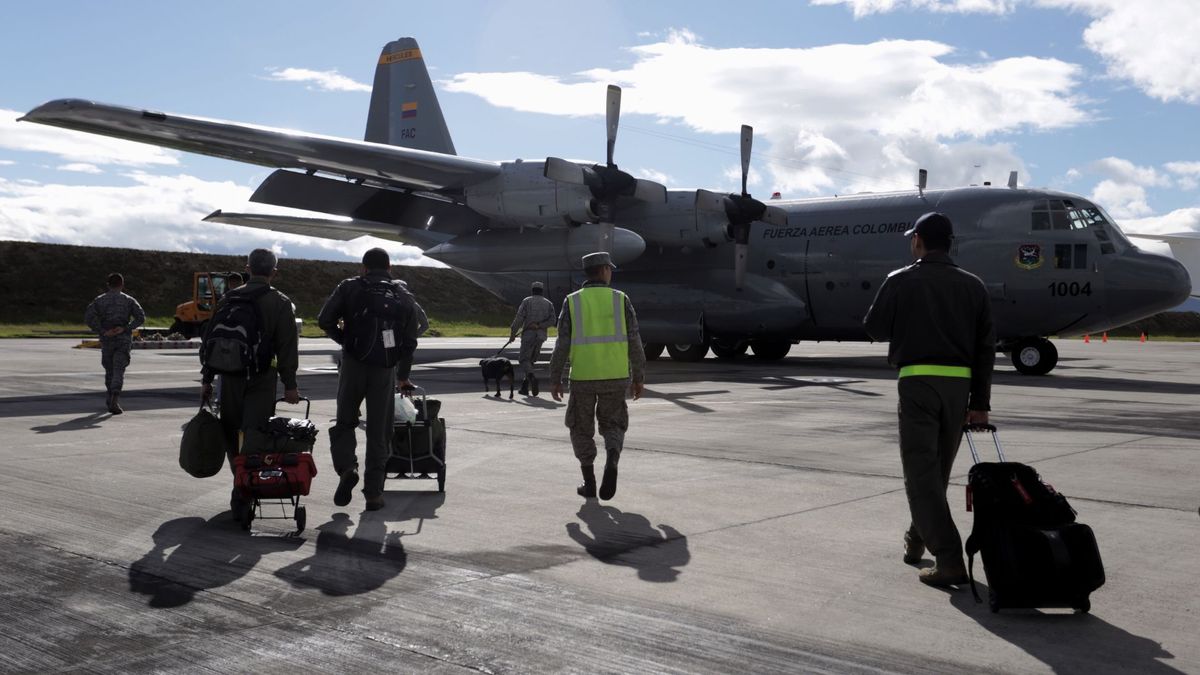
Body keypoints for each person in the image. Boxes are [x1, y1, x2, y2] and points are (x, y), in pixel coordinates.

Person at [863, 212, 996, 588]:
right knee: (934, 473)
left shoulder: (900, 280)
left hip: (918, 383)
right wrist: (980, 402)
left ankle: (950, 558)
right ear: (950, 243)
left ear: (918, 240)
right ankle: (916, 538)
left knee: (921, 474)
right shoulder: (974, 286)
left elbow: (873, 327)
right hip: (961, 389)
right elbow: (985, 348)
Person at [319, 247, 425, 511]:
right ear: (389, 269)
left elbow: (324, 320)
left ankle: (347, 468)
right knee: (380, 432)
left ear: (364, 268)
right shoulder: (401, 292)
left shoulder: (350, 287)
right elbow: (415, 333)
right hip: (385, 369)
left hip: (353, 364)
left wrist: (345, 340)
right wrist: (402, 374)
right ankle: (374, 494)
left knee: (345, 422)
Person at [199, 249, 301, 514]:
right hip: (261, 378)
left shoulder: (228, 298)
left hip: (228, 377)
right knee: (254, 433)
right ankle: (247, 486)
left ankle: (238, 484)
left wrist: (207, 378)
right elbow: (287, 347)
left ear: (248, 268)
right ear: (274, 272)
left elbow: (211, 339)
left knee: (232, 432)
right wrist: (290, 384)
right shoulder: (279, 302)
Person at [550, 252, 646, 501]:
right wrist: (638, 376)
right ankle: (612, 459)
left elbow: (562, 343)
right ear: (604, 270)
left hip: (582, 377)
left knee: (580, 429)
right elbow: (635, 340)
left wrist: (555, 376)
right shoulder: (621, 299)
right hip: (615, 376)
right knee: (613, 424)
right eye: (609, 269)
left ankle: (589, 482)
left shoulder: (572, 301)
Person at [85, 273, 146, 414]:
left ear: (108, 284)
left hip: (107, 339)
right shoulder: (129, 300)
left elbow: (88, 317)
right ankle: (114, 397)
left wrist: (102, 331)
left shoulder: (99, 300)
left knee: (109, 370)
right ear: (122, 284)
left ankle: (110, 395)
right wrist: (126, 328)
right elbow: (141, 317)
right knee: (119, 370)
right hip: (123, 339)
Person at [510, 281, 557, 396]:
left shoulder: (527, 301)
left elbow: (519, 319)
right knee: (531, 360)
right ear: (542, 291)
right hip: (541, 337)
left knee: (523, 359)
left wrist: (512, 333)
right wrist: (540, 326)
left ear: (532, 290)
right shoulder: (548, 303)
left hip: (528, 336)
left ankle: (532, 377)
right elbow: (553, 321)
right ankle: (525, 387)